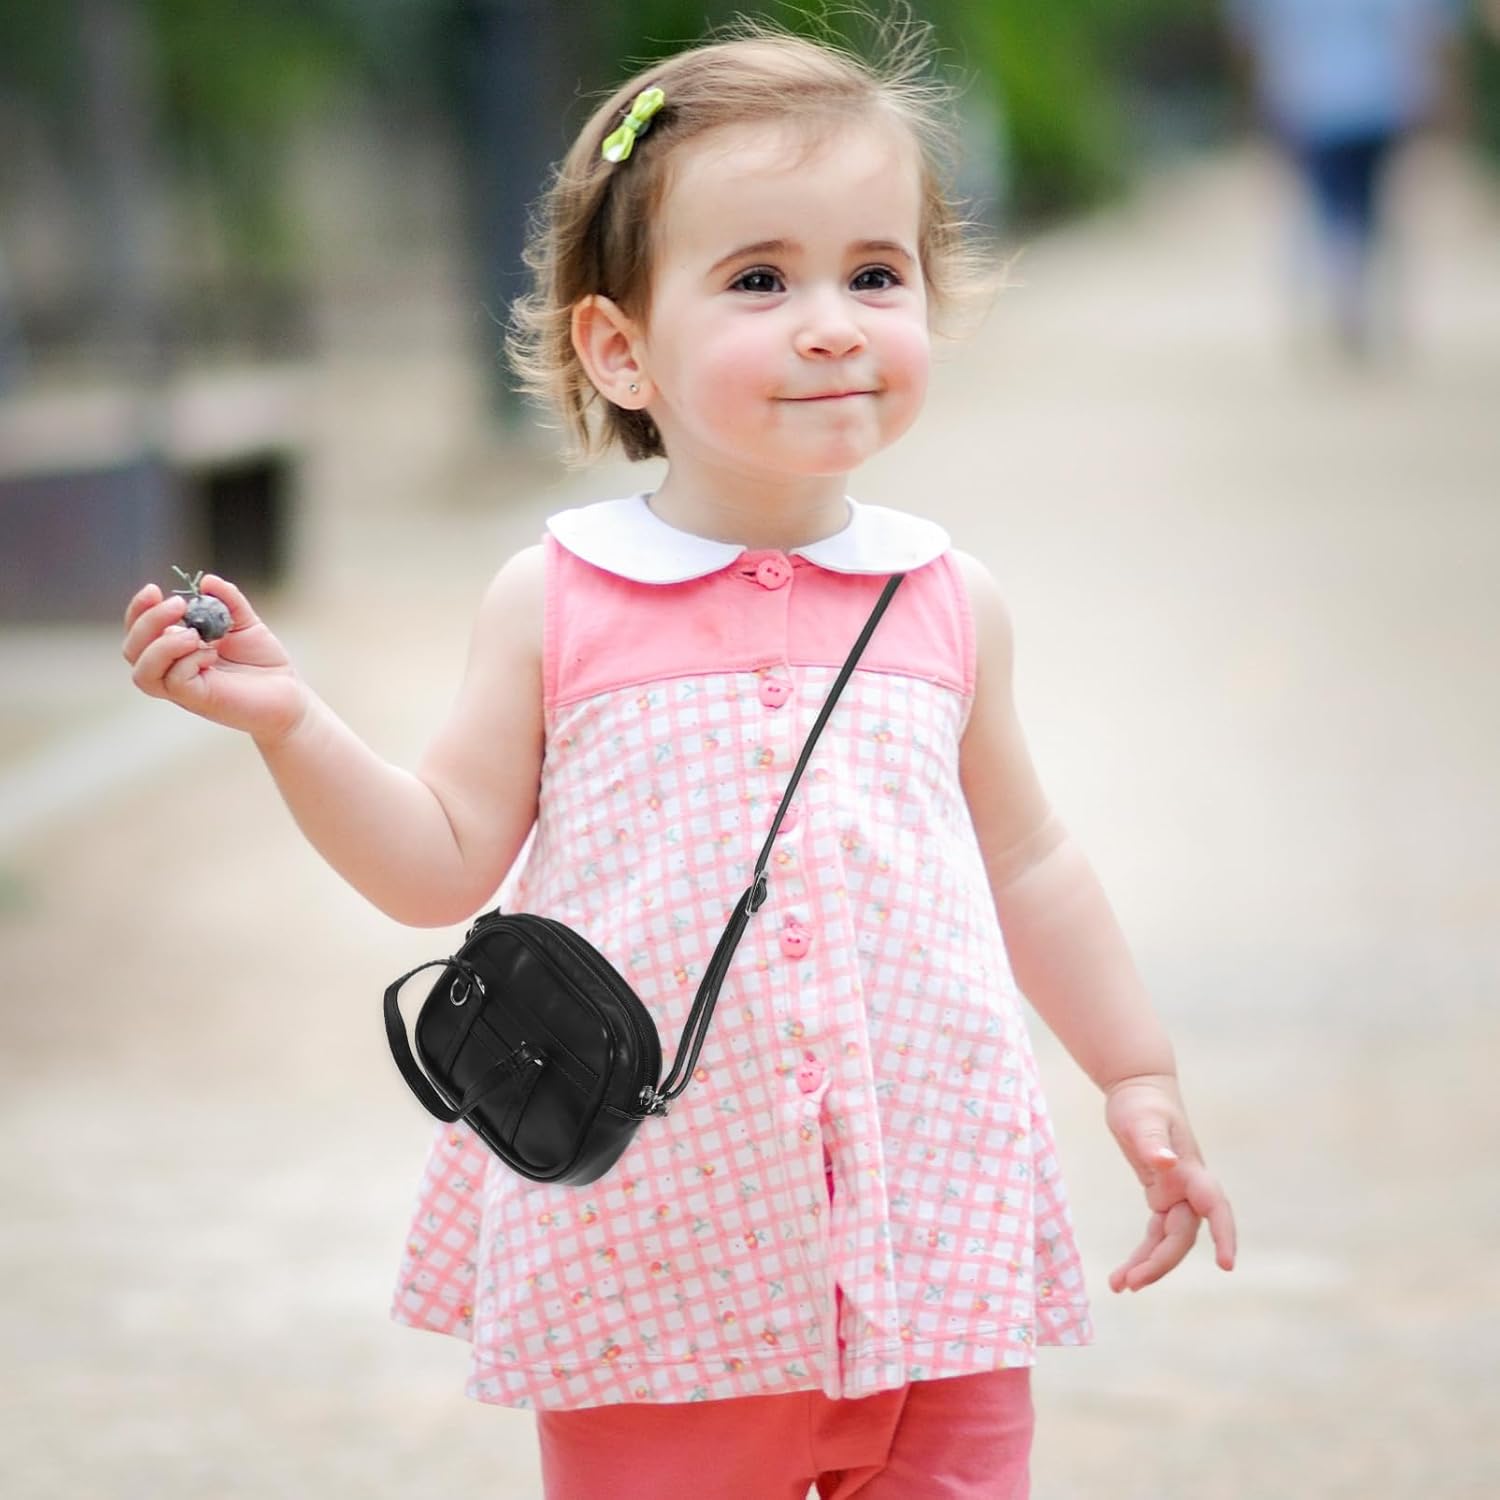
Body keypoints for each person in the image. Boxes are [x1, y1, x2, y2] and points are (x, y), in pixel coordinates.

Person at [121, 21, 1235, 1500]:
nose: (831, 323)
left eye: (876, 273)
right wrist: (292, 723)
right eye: (760, 279)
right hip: (659, 1262)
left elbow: (1028, 860)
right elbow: (438, 860)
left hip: (926, 1240)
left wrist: (1135, 1071)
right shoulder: (560, 599)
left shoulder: (946, 601)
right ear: (620, 348)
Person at [1225, 0, 1470, 360]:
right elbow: (1428, 29)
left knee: (1332, 206)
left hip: (1311, 102)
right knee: (1371, 204)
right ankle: (1361, 291)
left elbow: (1254, 37)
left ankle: (1347, 289)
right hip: (1382, 98)